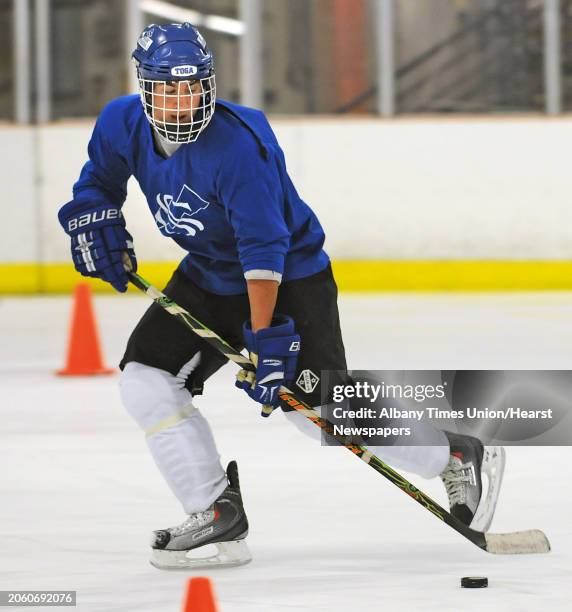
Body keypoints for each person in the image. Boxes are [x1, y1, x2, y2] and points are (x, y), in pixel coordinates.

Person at [58, 23, 504, 569]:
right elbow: (97, 182)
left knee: (319, 413)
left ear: (209, 84)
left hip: (288, 278)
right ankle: (215, 512)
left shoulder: (239, 148)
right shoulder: (120, 122)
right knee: (145, 381)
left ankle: (453, 453)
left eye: (194, 86)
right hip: (208, 273)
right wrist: (93, 218)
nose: (183, 100)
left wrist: (267, 338)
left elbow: (264, 248)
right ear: (146, 88)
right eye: (169, 90)